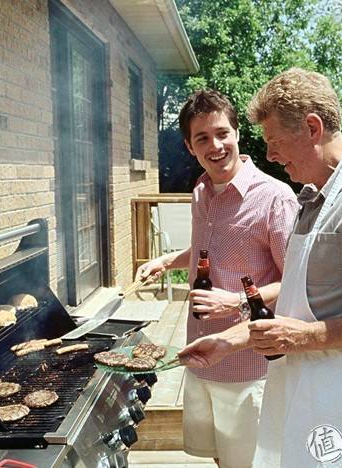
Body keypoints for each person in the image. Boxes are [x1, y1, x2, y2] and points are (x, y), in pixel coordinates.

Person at [178, 68, 342, 467]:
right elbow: (294, 301)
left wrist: (305, 337)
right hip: (302, 388)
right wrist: (232, 341)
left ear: (312, 127)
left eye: (275, 142)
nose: (272, 155)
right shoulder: (312, 200)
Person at [136, 89, 298, 468]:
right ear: (190, 147)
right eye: (202, 138)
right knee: (220, 459)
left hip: (250, 365)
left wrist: (238, 301)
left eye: (222, 133)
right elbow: (206, 247)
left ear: (238, 133)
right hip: (202, 355)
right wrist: (166, 260)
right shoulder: (200, 192)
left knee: (252, 462)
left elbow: (296, 281)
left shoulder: (275, 198)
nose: (216, 145)